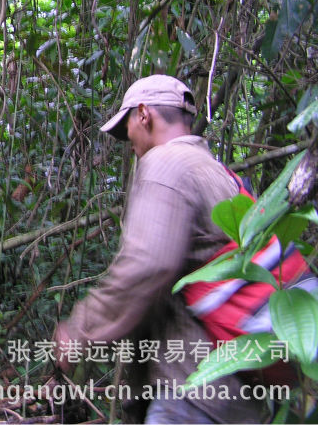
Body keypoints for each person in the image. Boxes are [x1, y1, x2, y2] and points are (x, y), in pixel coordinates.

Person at [54, 75, 268, 424]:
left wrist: (79, 331)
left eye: (128, 130)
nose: (130, 144)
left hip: (193, 391)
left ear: (144, 115)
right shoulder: (218, 172)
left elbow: (147, 266)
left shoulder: (165, 164)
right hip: (238, 389)